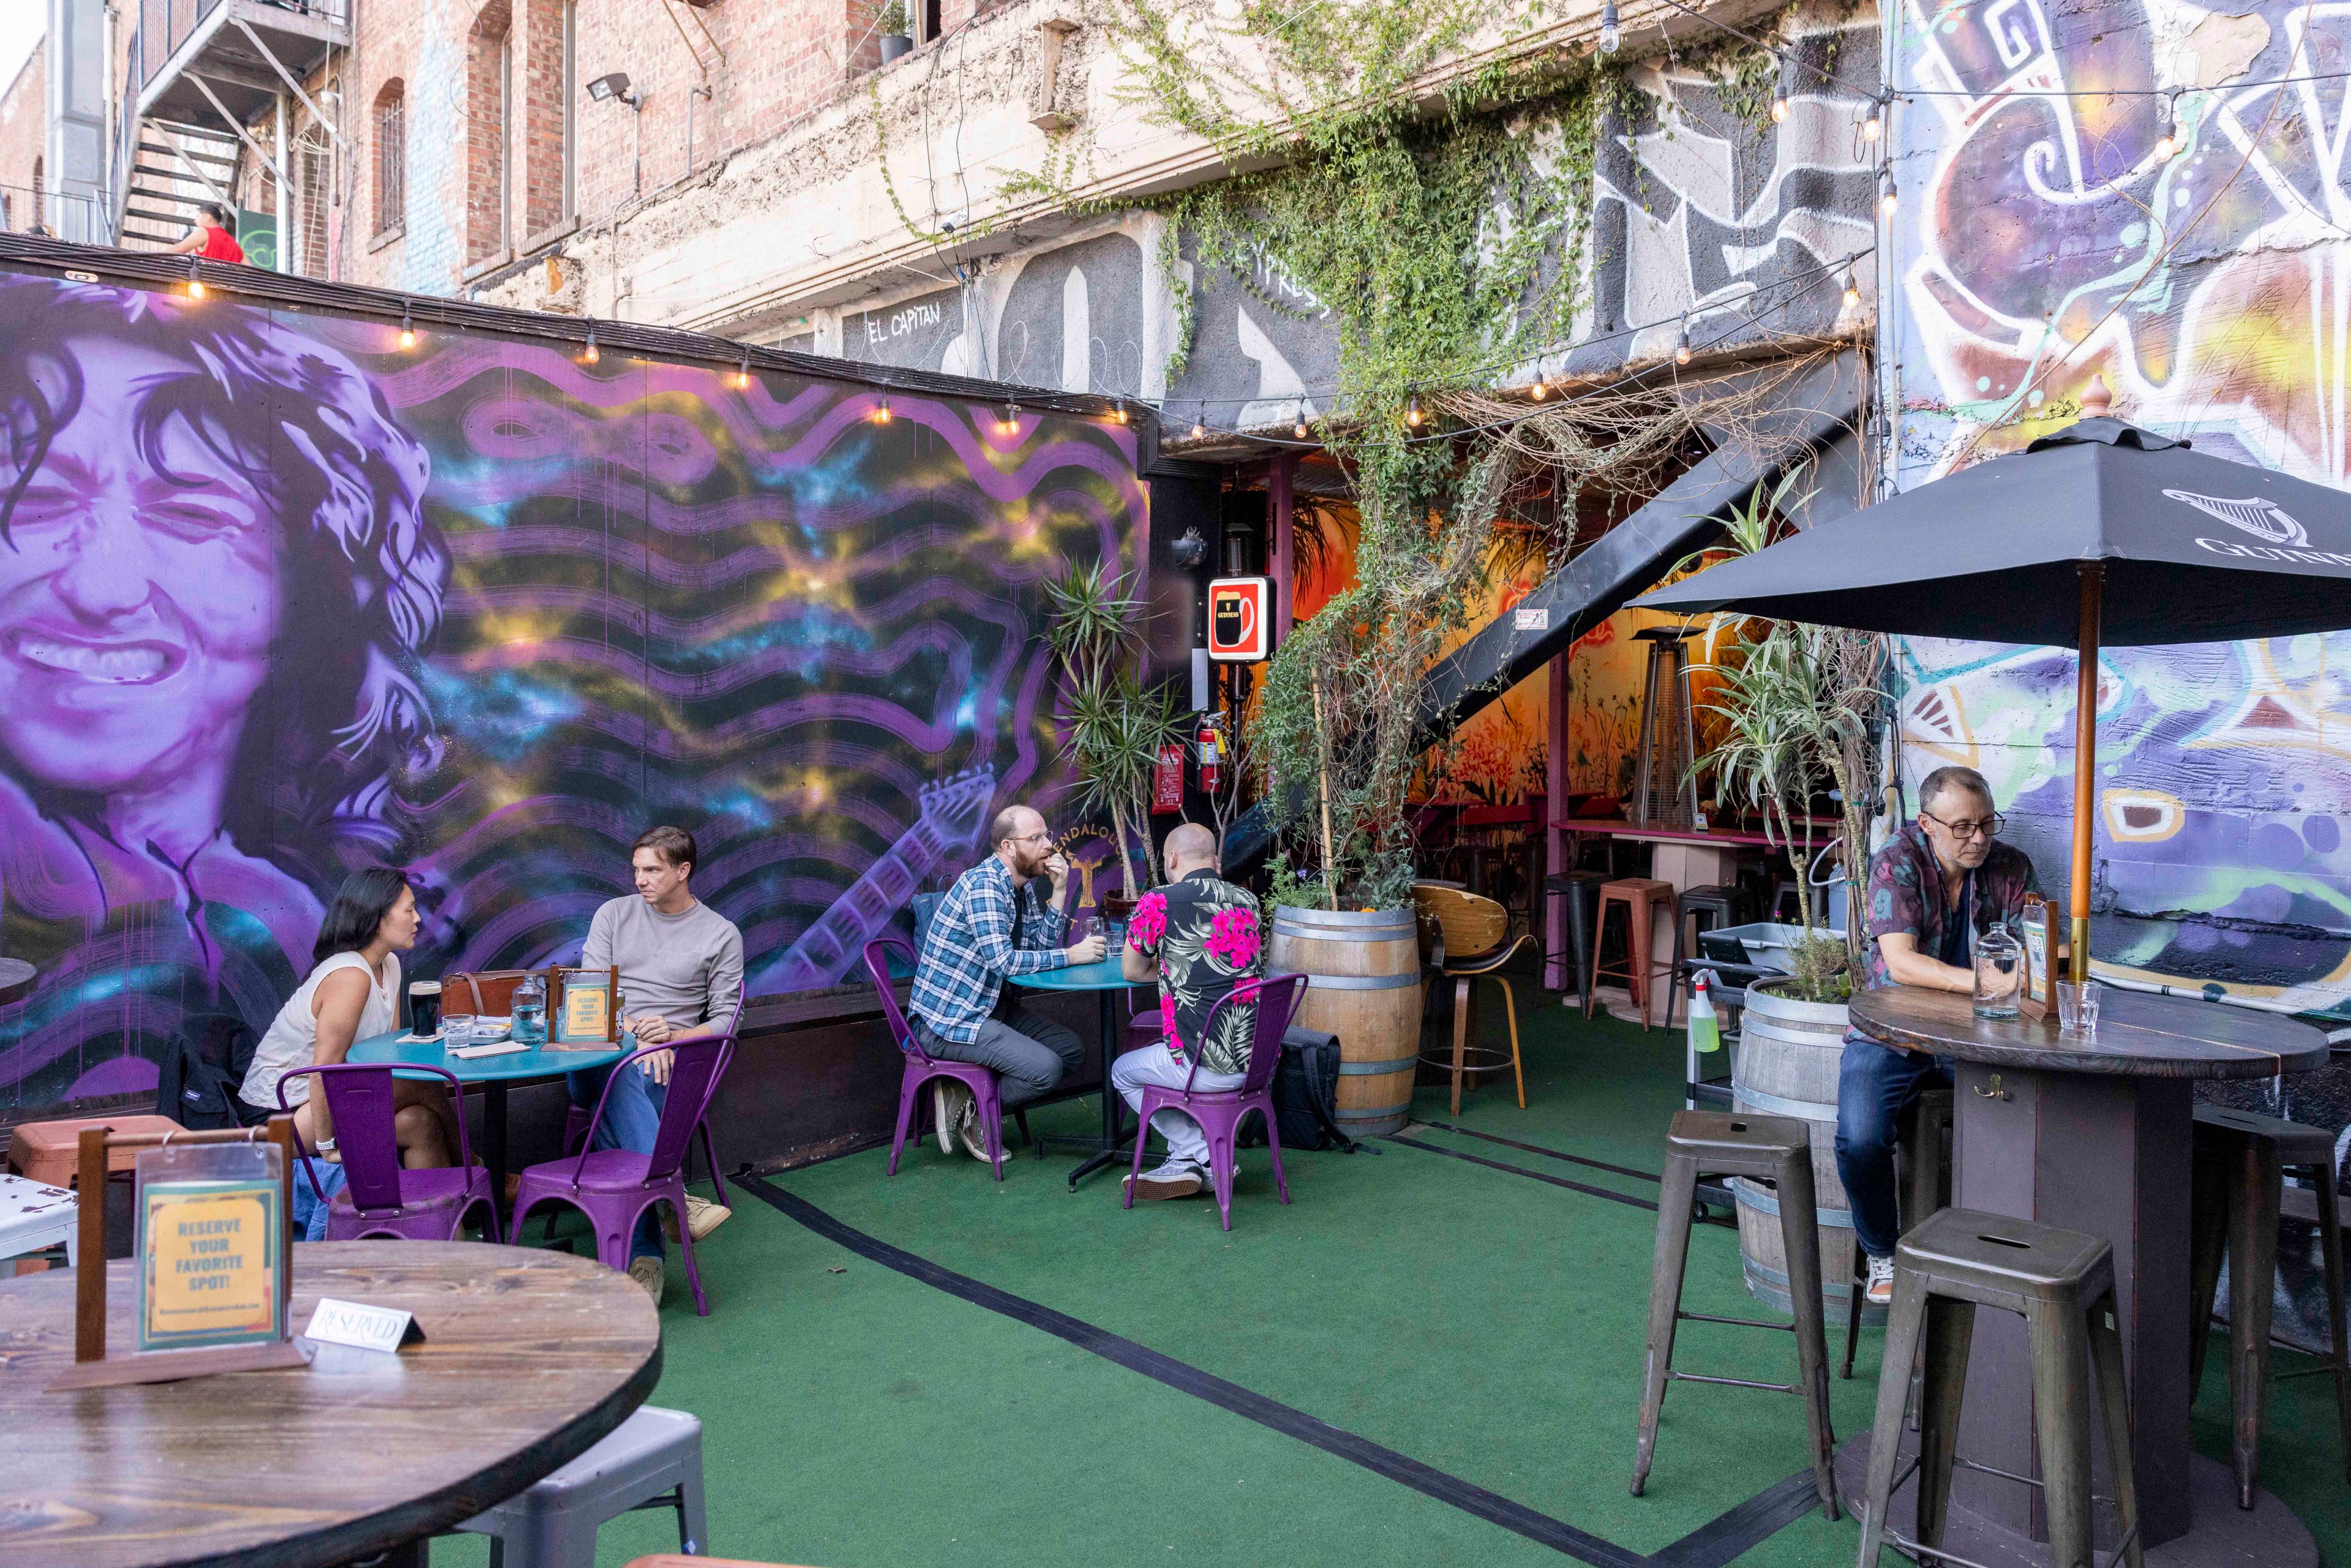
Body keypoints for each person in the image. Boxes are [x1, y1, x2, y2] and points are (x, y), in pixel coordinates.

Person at [0, 272, 446, 1108]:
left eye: (192, 514)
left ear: (308, 579)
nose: (105, 586)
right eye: (41, 499)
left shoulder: (279, 905)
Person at [1837, 765, 2041, 1304]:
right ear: (1927, 823)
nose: (1979, 837)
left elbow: (2036, 960)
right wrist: (1987, 980)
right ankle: (1883, 1253)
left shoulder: (2011, 867)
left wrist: (2033, 976)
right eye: (1962, 827)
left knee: (2031, 1117)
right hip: (1893, 1031)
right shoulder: (1896, 861)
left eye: (1986, 822)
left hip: (1981, 1037)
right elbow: (1902, 965)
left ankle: (2003, 1256)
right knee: (1859, 1139)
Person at [568, 825, 746, 1304]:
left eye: (652, 870)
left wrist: (673, 1035)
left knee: (626, 1093)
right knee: (624, 1067)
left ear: (683, 870)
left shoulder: (719, 933)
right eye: (636, 870)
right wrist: (634, 1034)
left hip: (668, 1064)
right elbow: (589, 994)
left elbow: (728, 1019)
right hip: (599, 1055)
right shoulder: (613, 915)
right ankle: (674, 1197)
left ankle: (645, 1255)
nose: (640, 880)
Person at [908, 804, 1104, 1161]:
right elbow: (1004, 962)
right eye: (1036, 838)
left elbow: (1037, 951)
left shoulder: (1022, 886)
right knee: (1046, 1069)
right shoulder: (985, 886)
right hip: (950, 1021)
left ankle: (966, 1091)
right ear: (1008, 847)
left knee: (1071, 1050)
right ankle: (971, 1103)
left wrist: (1059, 892)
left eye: (1047, 835)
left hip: (990, 1007)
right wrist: (1073, 956)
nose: (1049, 844)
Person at [240, 866, 456, 1168]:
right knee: (426, 1083)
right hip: (278, 1119)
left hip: (330, 1098)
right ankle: (477, 1168)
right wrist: (327, 1146)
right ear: (377, 918)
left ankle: (440, 1211)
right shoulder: (350, 976)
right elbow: (322, 1072)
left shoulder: (389, 964)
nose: (418, 918)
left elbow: (385, 1055)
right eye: (409, 910)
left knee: (419, 1122)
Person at [1113, 822, 1266, 1199]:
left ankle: (1204, 1154)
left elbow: (1132, 970)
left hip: (1202, 1066)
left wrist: (1168, 966)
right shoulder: (1248, 901)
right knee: (1159, 1063)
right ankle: (1182, 1160)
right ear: (1216, 861)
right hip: (1256, 1064)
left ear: (1172, 860)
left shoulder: (1159, 902)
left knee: (1123, 1073)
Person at [167, 202, 246, 264]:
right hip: (229, 283)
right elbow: (250, 267)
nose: (195, 221)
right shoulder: (235, 245)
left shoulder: (204, 232)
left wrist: (155, 257)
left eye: (198, 216)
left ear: (207, 217)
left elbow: (179, 248)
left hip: (208, 281)